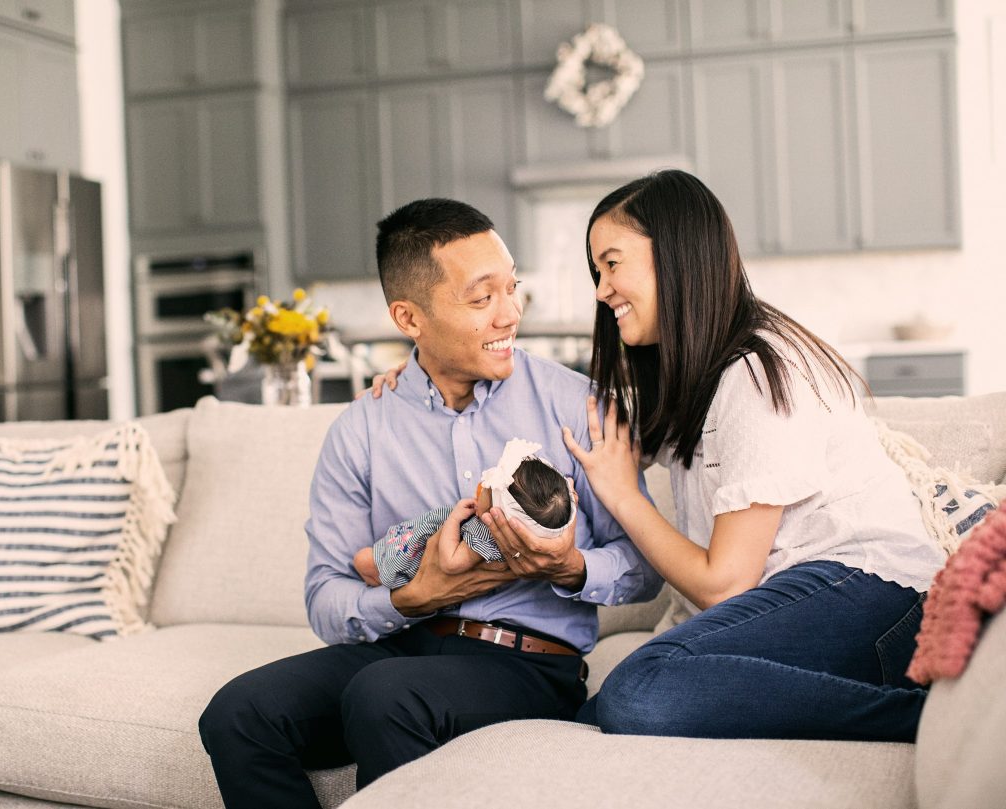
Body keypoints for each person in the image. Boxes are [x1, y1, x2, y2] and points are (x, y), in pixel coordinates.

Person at [197, 198, 661, 808]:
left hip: (525, 663)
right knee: (237, 713)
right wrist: (411, 598)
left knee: (384, 696)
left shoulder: (578, 406)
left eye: (512, 289)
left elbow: (644, 567)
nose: (510, 314)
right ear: (408, 317)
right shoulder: (363, 427)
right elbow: (326, 596)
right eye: (482, 298)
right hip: (401, 644)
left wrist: (570, 567)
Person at [557, 169, 946, 741]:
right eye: (597, 271)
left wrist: (621, 492)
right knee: (600, 715)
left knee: (641, 692)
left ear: (675, 255)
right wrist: (431, 375)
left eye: (612, 264)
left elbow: (724, 584)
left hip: (874, 596)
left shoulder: (759, 372)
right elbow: (582, 426)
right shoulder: (697, 375)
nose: (601, 289)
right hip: (822, 597)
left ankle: (930, 723)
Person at [353, 438, 576, 588]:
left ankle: (381, 581)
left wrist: (455, 518)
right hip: (407, 544)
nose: (480, 484)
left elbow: (450, 563)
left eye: (486, 488)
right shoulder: (496, 531)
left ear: (498, 513)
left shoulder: (485, 538)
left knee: (362, 560)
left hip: (410, 562)